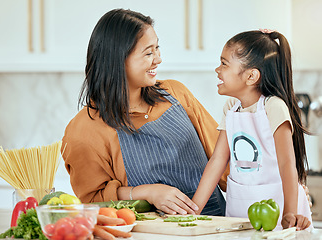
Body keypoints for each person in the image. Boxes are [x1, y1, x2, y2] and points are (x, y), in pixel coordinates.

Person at [61, 8, 228, 216]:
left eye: (157, 48)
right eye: (148, 52)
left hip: (217, 226)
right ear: (117, 60)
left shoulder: (175, 93)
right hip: (149, 233)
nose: (158, 59)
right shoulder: (84, 131)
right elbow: (94, 202)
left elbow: (225, 160)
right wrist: (147, 192)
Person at [192, 29, 312, 230]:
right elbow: (218, 160)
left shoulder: (273, 106)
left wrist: (290, 212)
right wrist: (193, 210)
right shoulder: (231, 107)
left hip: (279, 208)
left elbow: (287, 164)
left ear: (251, 76)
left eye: (223, 63)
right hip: (240, 207)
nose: (217, 70)